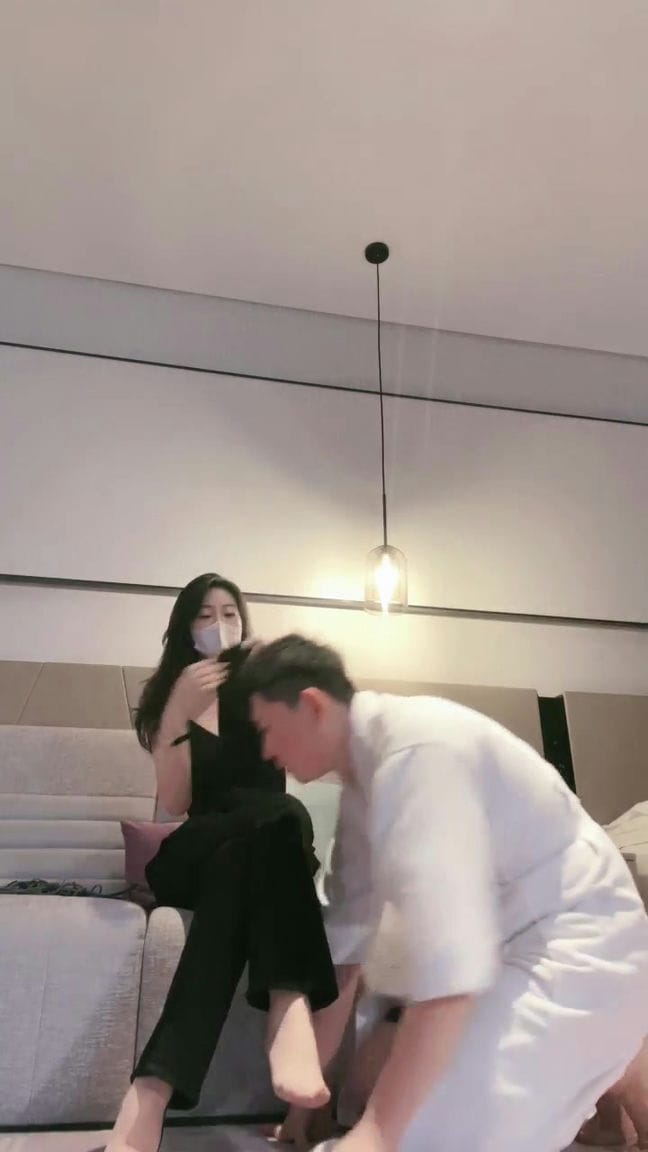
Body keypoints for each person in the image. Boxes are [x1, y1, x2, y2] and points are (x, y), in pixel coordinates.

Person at [242, 634, 648, 1152]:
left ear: (312, 706)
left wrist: (378, 1134)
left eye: (267, 729)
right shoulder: (363, 791)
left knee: (422, 1133)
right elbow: (344, 959)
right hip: (515, 960)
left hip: (579, 953)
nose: (266, 751)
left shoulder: (417, 755)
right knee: (402, 1110)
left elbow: (448, 974)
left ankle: (616, 1060)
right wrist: (306, 1108)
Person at [105, 580, 337, 1152]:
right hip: (194, 851)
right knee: (281, 816)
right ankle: (287, 1001)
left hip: (254, 855)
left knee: (257, 845)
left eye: (230, 612)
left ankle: (150, 1095)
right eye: (205, 614)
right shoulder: (171, 697)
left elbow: (304, 756)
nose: (219, 623)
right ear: (186, 627)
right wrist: (178, 712)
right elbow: (176, 802)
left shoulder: (257, 691)